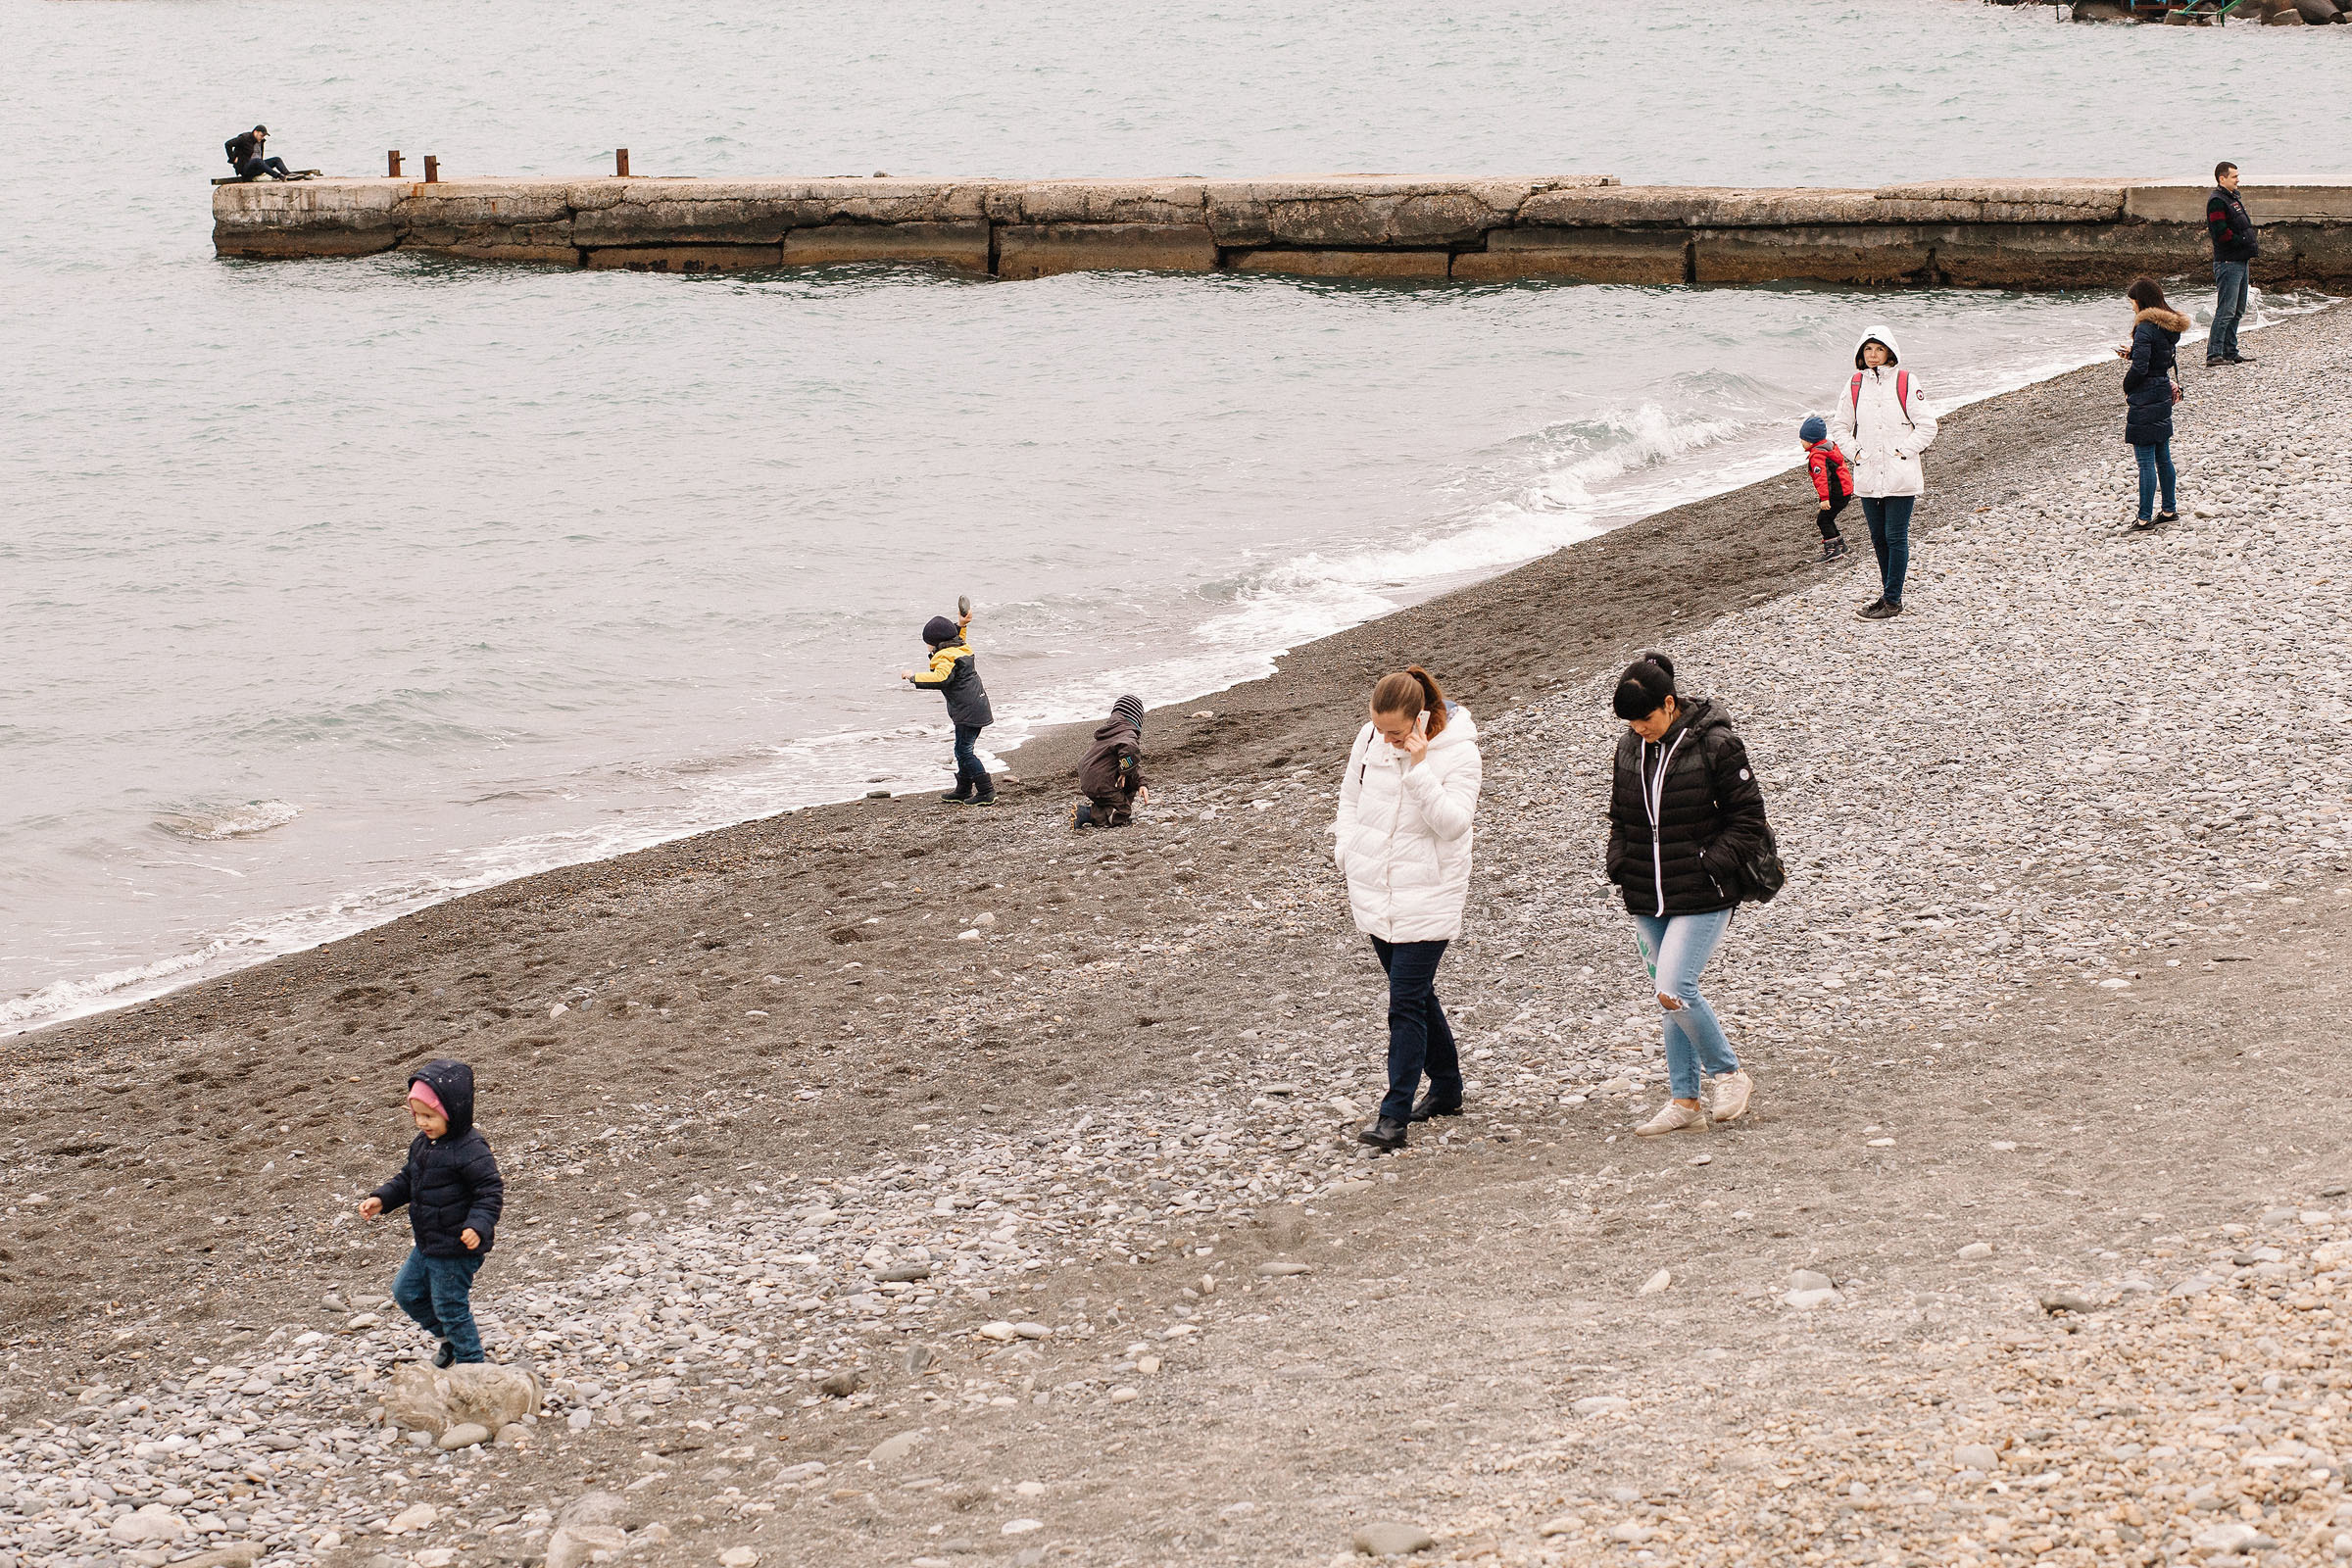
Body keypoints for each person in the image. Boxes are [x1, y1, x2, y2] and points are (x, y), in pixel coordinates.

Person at [1602, 654, 1765, 1137]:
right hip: (1646, 894)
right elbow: (1620, 816)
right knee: (1665, 995)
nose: (1638, 729)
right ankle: (1684, 1099)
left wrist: (1706, 866)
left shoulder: (1717, 743)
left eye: (1645, 718)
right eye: (1630, 722)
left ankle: (1730, 1074)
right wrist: (1620, 863)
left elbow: (1749, 822)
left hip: (1704, 893)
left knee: (1675, 988)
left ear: (1669, 704)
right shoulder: (1630, 747)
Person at [1331, 666, 1482, 1152]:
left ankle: (1393, 1117)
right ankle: (1448, 1088)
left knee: (1404, 1005)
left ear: (1419, 719)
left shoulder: (1458, 750)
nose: (1386, 739)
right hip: (1374, 888)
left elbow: (1454, 824)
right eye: (1380, 729)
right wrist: (1347, 851)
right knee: (1415, 996)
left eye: (1395, 732)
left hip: (1429, 894)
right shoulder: (1370, 739)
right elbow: (1349, 801)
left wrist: (1418, 769)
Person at [359, 1060, 504, 1366]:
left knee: (450, 1305)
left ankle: (471, 1363)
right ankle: (449, 1341)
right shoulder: (424, 1144)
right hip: (428, 1241)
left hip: (457, 1247)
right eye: (417, 1116)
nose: (422, 1123)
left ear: (453, 1111)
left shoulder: (471, 1149)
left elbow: (489, 1192)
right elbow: (407, 1179)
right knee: (406, 1292)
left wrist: (478, 1226)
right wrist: (382, 1199)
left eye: (429, 1116)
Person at [1829, 325, 1937, 621]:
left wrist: (1903, 451)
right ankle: (1888, 595)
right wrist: (1857, 454)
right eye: (1868, 349)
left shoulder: (1905, 381)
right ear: (1860, 353)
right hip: (1867, 475)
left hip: (1900, 474)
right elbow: (1839, 426)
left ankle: (1892, 600)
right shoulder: (1854, 384)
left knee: (1895, 536)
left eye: (1878, 349)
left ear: (1889, 351)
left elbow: (1928, 425)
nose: (1873, 355)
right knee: (1878, 538)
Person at [2116, 277, 2190, 531]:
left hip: (2146, 395)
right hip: (2161, 390)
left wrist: (2127, 386)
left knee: (2145, 461)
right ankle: (2169, 510)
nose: (2132, 307)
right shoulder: (2168, 327)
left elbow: (2141, 367)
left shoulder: (2146, 327)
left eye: (2133, 302)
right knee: (2163, 456)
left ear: (2141, 301)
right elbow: (2159, 360)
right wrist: (2135, 352)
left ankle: (2144, 517)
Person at [901, 610, 995, 806]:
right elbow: (956, 639)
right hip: (977, 704)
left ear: (933, 643)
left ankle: (986, 791)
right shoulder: (962, 648)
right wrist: (962, 625)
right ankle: (963, 789)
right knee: (962, 749)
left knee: (964, 751)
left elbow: (941, 677)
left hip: (967, 710)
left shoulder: (943, 657)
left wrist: (912, 677)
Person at [2207, 162, 2258, 368]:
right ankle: (2214, 355)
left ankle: (2230, 351)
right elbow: (2220, 232)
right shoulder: (2217, 201)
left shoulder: (2232, 198)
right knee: (2226, 310)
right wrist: (2242, 241)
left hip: (2241, 260)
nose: (2238, 179)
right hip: (2228, 262)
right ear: (2222, 178)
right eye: (2234, 176)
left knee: (2237, 310)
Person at [1073, 694, 1148, 828]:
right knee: (1124, 811)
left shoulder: (1110, 732)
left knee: (1129, 773)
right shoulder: (1127, 734)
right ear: (1137, 719)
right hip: (1101, 781)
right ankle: (1086, 813)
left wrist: (1141, 782)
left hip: (1090, 778)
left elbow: (1133, 763)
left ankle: (1109, 808)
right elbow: (1131, 752)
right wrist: (1124, 771)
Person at [1798, 415, 1853, 564]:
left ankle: (1832, 550)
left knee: (1823, 520)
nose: (1801, 442)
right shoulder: (1829, 447)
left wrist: (1824, 498)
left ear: (1810, 440)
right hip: (1845, 491)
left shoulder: (1818, 456)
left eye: (1802, 439)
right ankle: (1840, 544)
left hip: (1836, 493)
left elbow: (1822, 478)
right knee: (1828, 517)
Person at [224, 124, 294, 182]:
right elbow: (228, 144)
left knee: (276, 159)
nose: (262, 137)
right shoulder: (244, 138)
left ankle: (288, 174)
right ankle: (278, 176)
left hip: (258, 166)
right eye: (261, 135)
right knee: (257, 161)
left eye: (263, 136)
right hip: (245, 168)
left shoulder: (261, 141)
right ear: (255, 132)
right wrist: (233, 159)